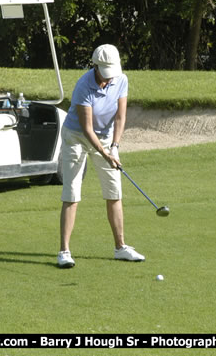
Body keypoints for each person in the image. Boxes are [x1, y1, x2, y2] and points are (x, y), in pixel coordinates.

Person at [57, 44, 145, 268]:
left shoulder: (121, 80)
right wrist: (105, 154)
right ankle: (64, 252)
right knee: (72, 193)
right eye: (104, 72)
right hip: (76, 136)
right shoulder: (83, 85)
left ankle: (120, 247)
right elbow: (87, 129)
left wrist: (114, 147)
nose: (108, 77)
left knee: (114, 191)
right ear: (95, 66)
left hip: (106, 137)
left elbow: (120, 117)